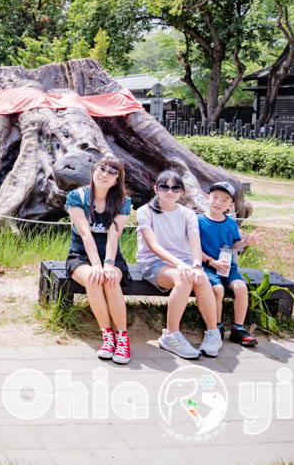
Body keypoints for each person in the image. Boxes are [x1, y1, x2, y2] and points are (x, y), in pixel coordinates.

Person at [136, 170, 221, 359]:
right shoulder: (145, 212)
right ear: (156, 189)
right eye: (164, 186)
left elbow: (194, 242)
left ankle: (213, 333)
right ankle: (170, 335)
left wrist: (197, 265)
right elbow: (153, 245)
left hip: (184, 262)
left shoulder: (188, 214)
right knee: (183, 278)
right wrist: (179, 265)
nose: (170, 191)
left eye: (175, 187)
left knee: (201, 277)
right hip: (154, 262)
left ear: (182, 192)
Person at [65, 156, 133, 364]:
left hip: (112, 257)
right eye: (101, 169)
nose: (105, 174)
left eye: (112, 172)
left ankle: (122, 337)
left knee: (110, 279)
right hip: (81, 257)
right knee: (95, 278)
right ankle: (107, 336)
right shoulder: (77, 197)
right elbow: (85, 234)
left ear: (117, 180)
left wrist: (109, 264)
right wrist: (96, 265)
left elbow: (114, 235)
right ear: (94, 170)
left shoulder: (123, 202)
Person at [198, 181, 263, 346]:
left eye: (224, 200)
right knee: (217, 289)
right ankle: (217, 325)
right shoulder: (198, 221)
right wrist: (212, 262)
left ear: (231, 205)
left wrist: (246, 241)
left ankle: (238, 328)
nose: (218, 202)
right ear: (207, 198)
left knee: (241, 287)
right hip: (207, 267)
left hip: (228, 267)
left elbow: (234, 245)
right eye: (215, 197)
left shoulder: (230, 223)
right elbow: (193, 248)